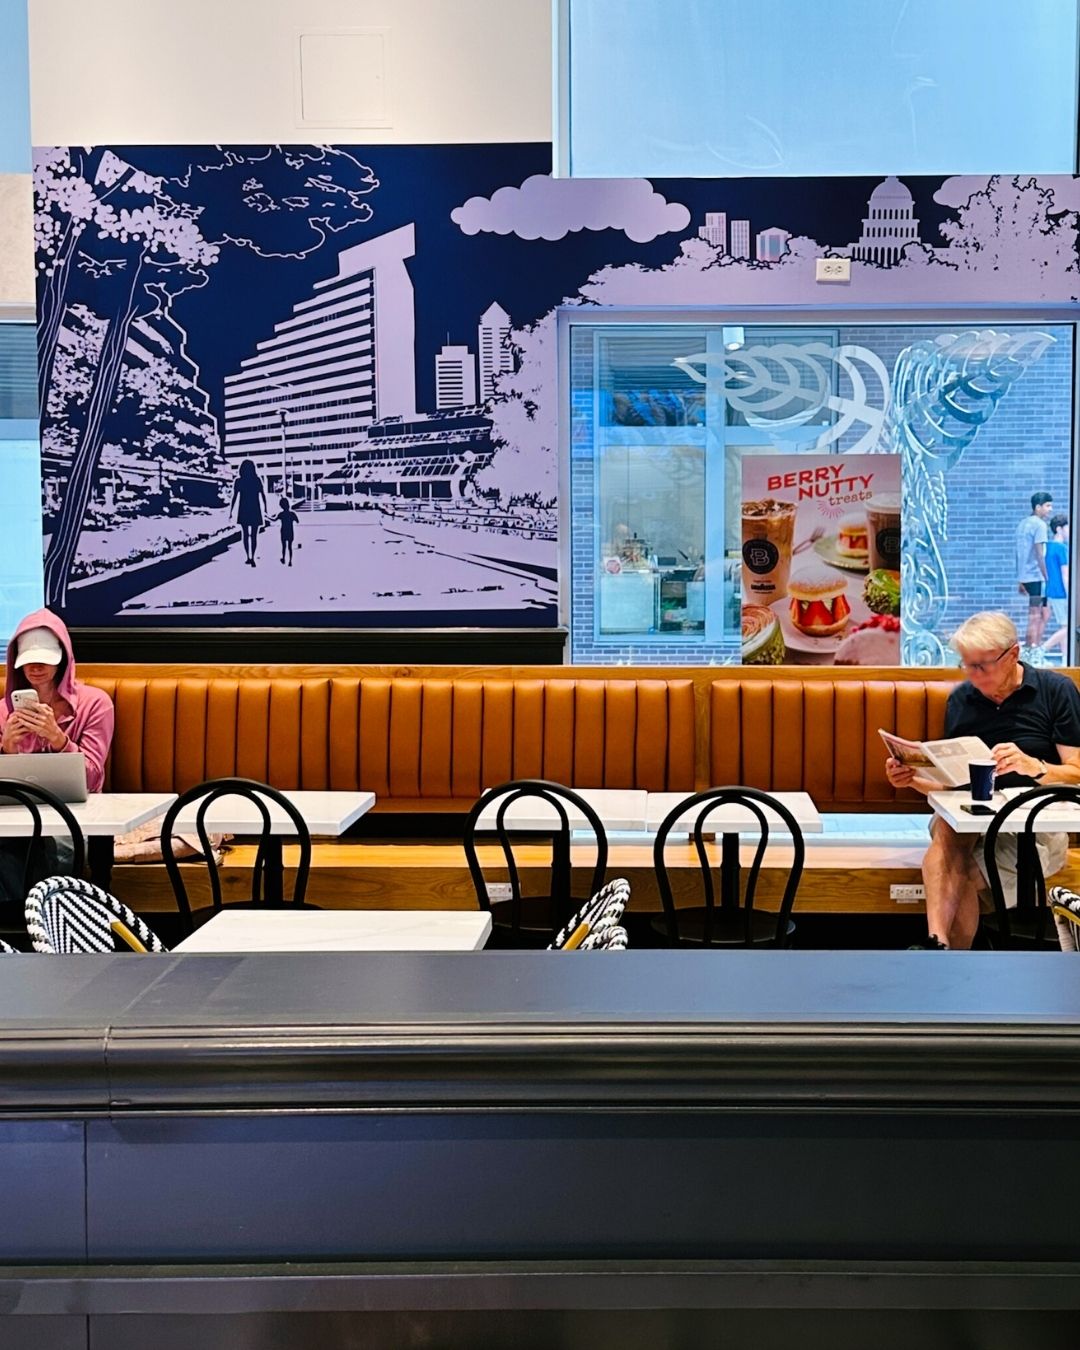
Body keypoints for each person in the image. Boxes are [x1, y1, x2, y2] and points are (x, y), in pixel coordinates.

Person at [885, 611, 1080, 949]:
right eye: (967, 665)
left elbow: (1076, 772)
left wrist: (1035, 766)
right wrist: (913, 779)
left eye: (983, 666)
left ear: (1014, 654)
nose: (974, 675)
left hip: (1032, 826)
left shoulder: (1056, 691)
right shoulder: (962, 699)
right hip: (971, 818)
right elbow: (952, 784)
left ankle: (939, 950)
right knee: (948, 828)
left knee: (955, 878)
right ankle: (943, 951)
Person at [0, 609, 115, 904]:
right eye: (28, 661)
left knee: (42, 848)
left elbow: (92, 778)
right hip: (12, 821)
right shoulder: (3, 712)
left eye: (45, 660)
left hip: (72, 819)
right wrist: (7, 750)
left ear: (63, 658)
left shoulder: (95, 704)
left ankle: (36, 922)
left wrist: (58, 739)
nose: (36, 668)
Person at [1015, 491, 1054, 653]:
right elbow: (1039, 553)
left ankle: (1030, 647)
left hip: (1025, 576)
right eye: (1047, 506)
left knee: (1036, 613)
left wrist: (1020, 579)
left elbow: (1018, 553)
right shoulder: (1039, 525)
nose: (1050, 509)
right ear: (1038, 507)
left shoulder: (1023, 524)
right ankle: (1033, 649)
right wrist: (1048, 576)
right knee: (1037, 614)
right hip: (1036, 576)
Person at [1041, 513, 1069, 659]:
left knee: (1064, 626)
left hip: (1052, 592)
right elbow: (1065, 574)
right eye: (1067, 528)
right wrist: (1071, 594)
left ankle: (1065, 657)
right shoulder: (1062, 548)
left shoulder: (1048, 547)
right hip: (1062, 593)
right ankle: (1042, 650)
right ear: (1059, 529)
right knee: (1069, 627)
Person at [231, 459, 267, 567]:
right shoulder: (257, 480)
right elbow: (262, 494)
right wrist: (265, 508)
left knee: (245, 534)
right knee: (254, 535)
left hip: (244, 509)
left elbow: (235, 496)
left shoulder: (239, 481)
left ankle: (248, 556)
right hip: (255, 509)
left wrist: (231, 510)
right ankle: (253, 556)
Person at [276, 496, 299, 566]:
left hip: (283, 531)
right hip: (290, 531)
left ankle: (283, 558)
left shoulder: (281, 514)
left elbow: (274, 519)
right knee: (290, 546)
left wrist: (266, 517)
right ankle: (290, 561)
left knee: (284, 546)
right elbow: (297, 521)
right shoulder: (292, 514)